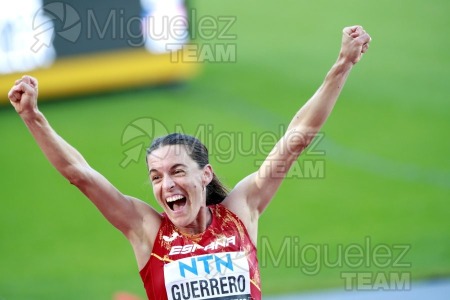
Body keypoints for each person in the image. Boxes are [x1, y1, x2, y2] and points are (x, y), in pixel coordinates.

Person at [8, 25, 371, 299]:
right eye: (156, 176)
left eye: (177, 171)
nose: (166, 185)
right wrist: (33, 117)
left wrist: (342, 64)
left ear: (205, 175)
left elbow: (296, 139)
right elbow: (79, 175)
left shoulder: (241, 212)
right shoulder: (147, 231)